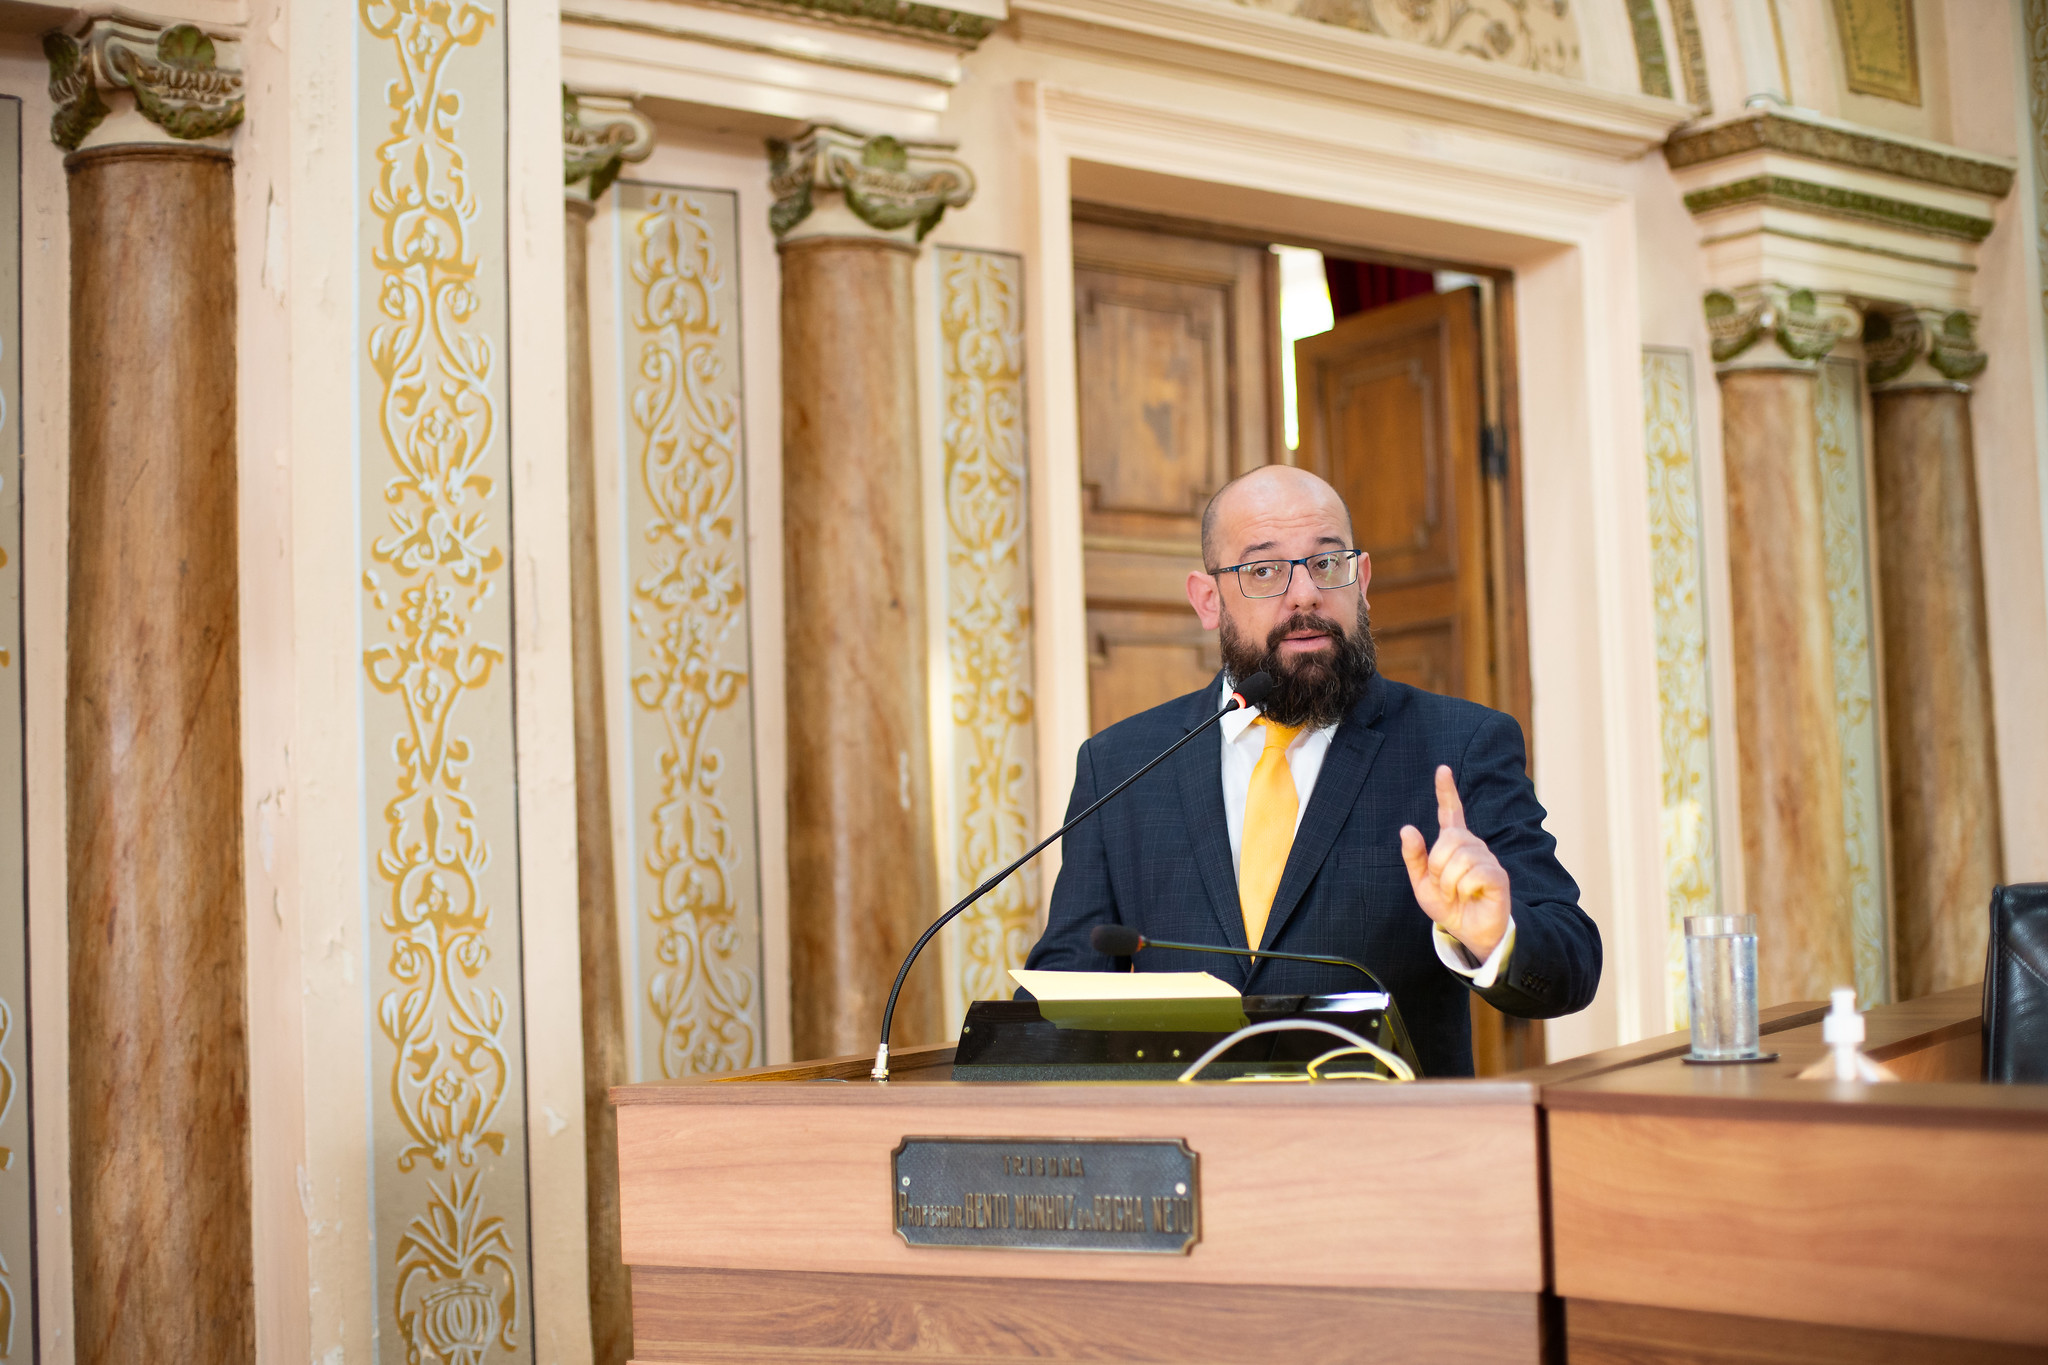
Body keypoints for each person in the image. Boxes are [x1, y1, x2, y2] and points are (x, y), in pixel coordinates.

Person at [1022, 465, 1600, 1077]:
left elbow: (1571, 962)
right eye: (1263, 571)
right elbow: (1065, 987)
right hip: (1182, 1134)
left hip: (1386, 1133)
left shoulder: (1460, 745)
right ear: (1208, 600)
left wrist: (1495, 936)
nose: (1304, 594)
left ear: (1362, 580)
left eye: (1327, 563)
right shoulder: (1121, 764)